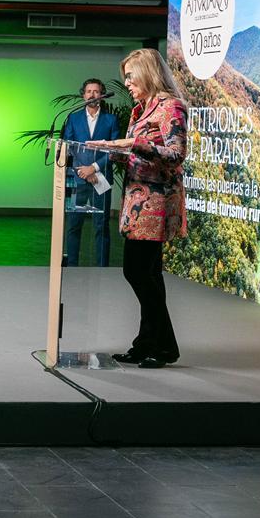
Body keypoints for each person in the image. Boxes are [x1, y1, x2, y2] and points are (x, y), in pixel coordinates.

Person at [86, 48, 188, 369]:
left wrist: (131, 143)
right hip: (135, 202)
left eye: (130, 76)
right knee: (148, 275)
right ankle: (149, 344)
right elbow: (135, 154)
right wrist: (111, 150)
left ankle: (161, 345)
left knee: (138, 272)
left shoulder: (171, 107)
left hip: (156, 204)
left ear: (147, 72)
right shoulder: (140, 110)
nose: (127, 83)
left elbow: (176, 154)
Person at [62, 78, 121, 267]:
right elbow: (69, 148)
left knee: (101, 226)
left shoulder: (111, 120)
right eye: (89, 91)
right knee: (73, 225)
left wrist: (94, 168)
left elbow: (114, 151)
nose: (92, 95)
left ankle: (102, 268)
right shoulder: (73, 118)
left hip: (101, 178)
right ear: (83, 95)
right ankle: (72, 266)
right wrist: (84, 171)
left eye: (96, 91)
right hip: (77, 179)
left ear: (102, 95)